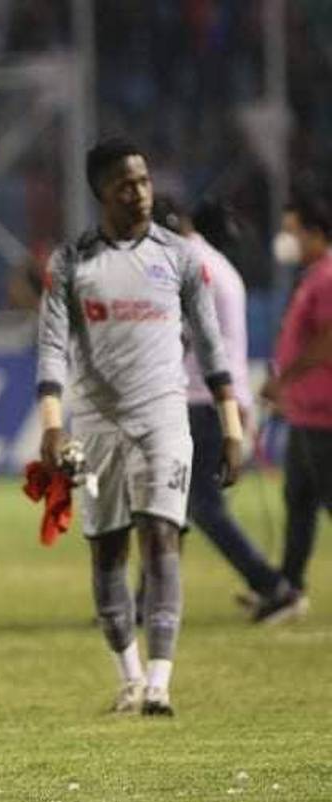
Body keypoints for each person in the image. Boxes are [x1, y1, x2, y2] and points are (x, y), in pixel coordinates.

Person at [36, 140, 242, 718]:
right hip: (98, 423)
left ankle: (159, 681)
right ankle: (128, 676)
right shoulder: (72, 262)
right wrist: (53, 426)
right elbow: (52, 349)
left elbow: (209, 343)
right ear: (102, 191)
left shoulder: (178, 258)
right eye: (127, 184)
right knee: (107, 549)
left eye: (145, 181)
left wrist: (231, 425)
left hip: (164, 416)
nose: (141, 192)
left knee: (161, 534)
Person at [151, 197, 304, 623]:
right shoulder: (214, 262)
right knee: (174, 503)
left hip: (203, 401)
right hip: (218, 398)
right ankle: (152, 599)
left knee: (199, 504)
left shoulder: (189, 265)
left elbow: (173, 333)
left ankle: (272, 585)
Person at [261, 191, 332, 612]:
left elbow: (327, 341)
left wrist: (284, 378)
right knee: (299, 503)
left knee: (320, 500)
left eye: (292, 231)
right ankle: (288, 586)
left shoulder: (326, 278)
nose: (286, 239)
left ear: (315, 232)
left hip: (324, 414)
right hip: (305, 411)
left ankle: (288, 585)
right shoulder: (313, 275)